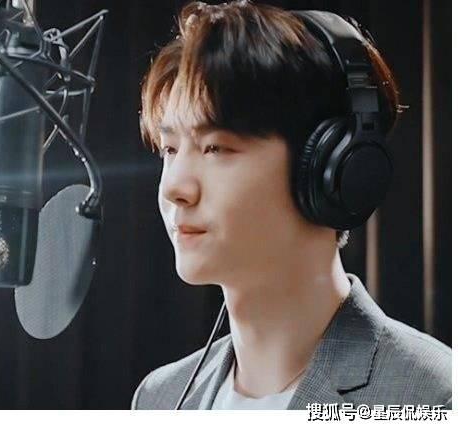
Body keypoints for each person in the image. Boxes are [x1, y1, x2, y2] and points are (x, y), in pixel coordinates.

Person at [131, 0, 451, 410]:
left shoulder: (433, 396)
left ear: (327, 169)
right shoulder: (159, 398)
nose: (175, 187)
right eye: (170, 149)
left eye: (215, 148)